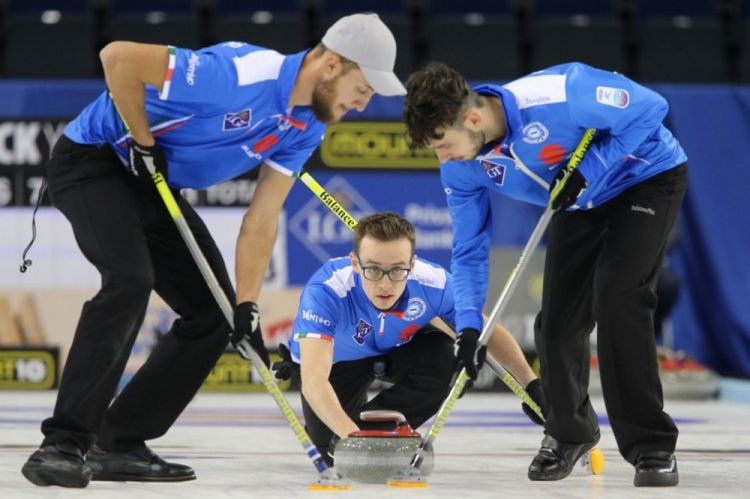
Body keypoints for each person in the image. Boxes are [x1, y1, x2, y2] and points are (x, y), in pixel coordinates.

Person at [21, 13, 406, 489]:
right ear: (331, 64)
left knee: (215, 314)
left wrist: (247, 304)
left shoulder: (306, 126)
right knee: (130, 279)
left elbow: (262, 218)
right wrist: (142, 140)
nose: (363, 105)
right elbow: (117, 57)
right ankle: (63, 443)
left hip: (151, 184)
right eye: (363, 89)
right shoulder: (240, 76)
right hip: (95, 161)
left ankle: (117, 441)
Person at [403, 62, 687, 487]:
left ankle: (652, 445)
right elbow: (468, 250)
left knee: (618, 297)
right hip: (574, 200)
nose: (443, 158)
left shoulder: (561, 93)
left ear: (473, 117)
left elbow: (651, 108)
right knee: (556, 322)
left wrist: (591, 169)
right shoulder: (461, 168)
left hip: (644, 178)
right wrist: (467, 327)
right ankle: (570, 430)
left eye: (443, 144)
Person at [274, 211, 545, 463]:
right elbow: (313, 381)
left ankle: (380, 432)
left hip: (396, 348)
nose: (385, 283)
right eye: (374, 269)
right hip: (338, 361)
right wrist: (351, 439)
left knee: (449, 355)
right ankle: (356, 434)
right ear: (355, 263)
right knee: (328, 444)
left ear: (412, 264)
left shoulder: (433, 283)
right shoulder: (327, 291)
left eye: (397, 270)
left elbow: (486, 330)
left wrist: (532, 385)